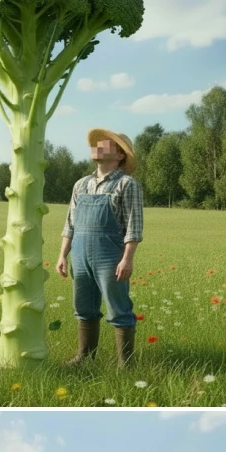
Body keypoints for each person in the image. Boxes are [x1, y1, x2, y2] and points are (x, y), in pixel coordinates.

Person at [56, 129, 143, 368]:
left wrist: (127, 259)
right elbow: (70, 223)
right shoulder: (81, 184)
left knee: (119, 309)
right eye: (97, 145)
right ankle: (84, 358)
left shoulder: (127, 184)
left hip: (110, 256)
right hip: (79, 254)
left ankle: (126, 365)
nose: (97, 147)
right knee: (83, 307)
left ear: (120, 155)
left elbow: (134, 226)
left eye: (105, 145)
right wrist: (63, 254)